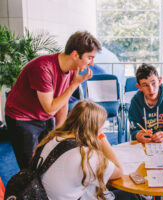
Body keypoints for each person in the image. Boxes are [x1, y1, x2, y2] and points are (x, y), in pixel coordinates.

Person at [5, 31, 100, 169]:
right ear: (75, 55)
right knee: (30, 167)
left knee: (49, 158)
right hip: (22, 118)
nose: (92, 63)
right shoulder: (43, 68)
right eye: (90, 58)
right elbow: (50, 107)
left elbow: (63, 100)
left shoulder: (72, 69)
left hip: (44, 115)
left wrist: (59, 133)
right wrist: (75, 84)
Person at [128, 63, 163, 143]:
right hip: (146, 145)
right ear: (139, 87)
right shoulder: (135, 102)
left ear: (159, 81)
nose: (151, 89)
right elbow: (133, 130)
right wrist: (137, 135)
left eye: (153, 83)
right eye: (145, 85)